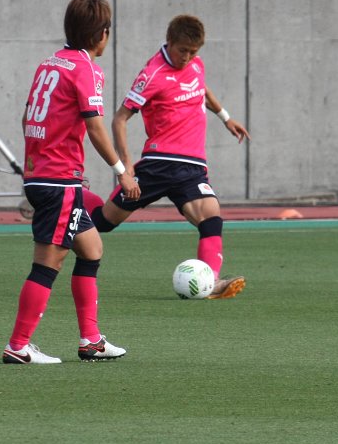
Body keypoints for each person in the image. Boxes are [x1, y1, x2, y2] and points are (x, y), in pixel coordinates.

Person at [2, 0, 140, 365]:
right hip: (58, 181)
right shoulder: (87, 69)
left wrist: (44, 164)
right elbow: (95, 127)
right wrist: (122, 172)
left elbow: (28, 118)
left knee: (91, 249)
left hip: (48, 176)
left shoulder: (48, 63)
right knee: (48, 263)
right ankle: (18, 345)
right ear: (102, 34)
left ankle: (91, 341)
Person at [85, 15, 250, 300]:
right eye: (182, 50)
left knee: (211, 217)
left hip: (192, 166)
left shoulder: (196, 64)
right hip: (158, 165)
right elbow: (120, 119)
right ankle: (71, 199)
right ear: (169, 42)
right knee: (104, 222)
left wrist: (225, 117)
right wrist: (126, 167)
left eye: (193, 52)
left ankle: (211, 282)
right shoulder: (153, 74)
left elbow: (200, 88)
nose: (187, 57)